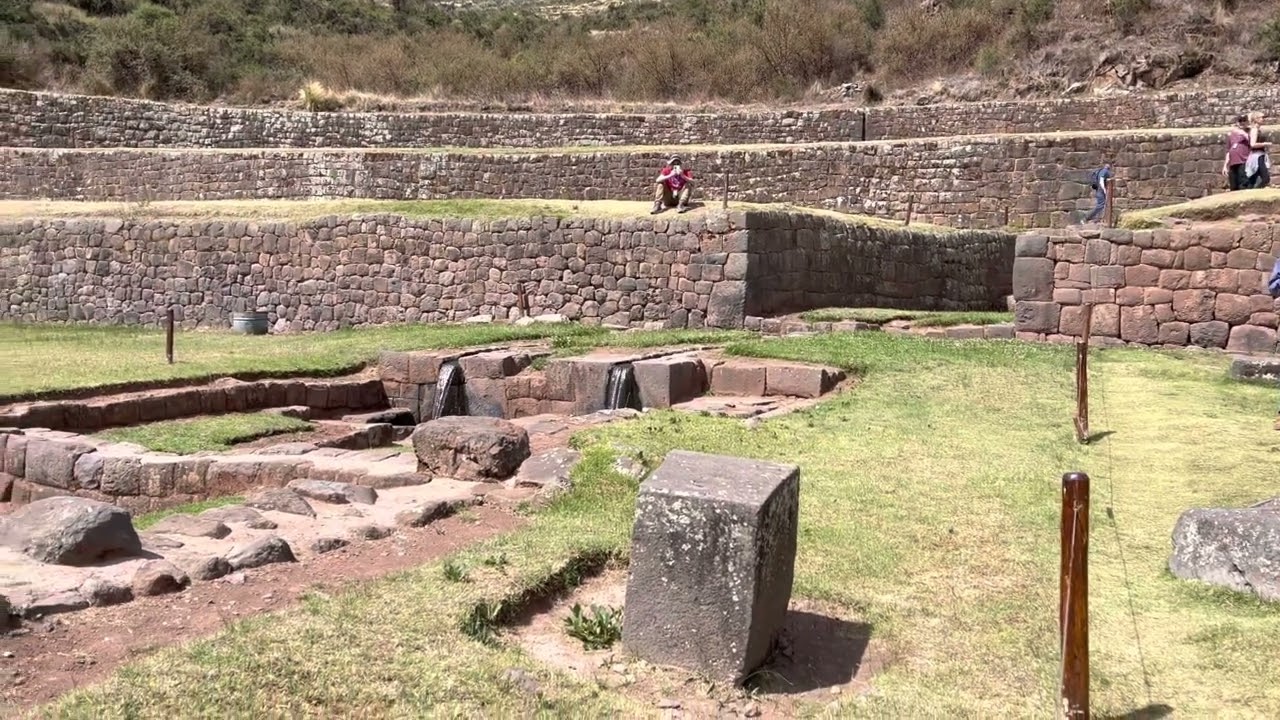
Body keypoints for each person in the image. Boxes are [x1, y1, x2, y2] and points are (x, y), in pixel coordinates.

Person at [1223, 115, 1252, 191]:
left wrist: (1242, 132)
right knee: (1233, 185)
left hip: (1243, 161)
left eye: (1244, 121)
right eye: (1240, 121)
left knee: (1243, 183)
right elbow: (1228, 151)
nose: (1242, 123)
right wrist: (1225, 165)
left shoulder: (1249, 132)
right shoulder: (1231, 135)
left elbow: (1251, 142)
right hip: (1233, 163)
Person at [1246, 111, 1271, 189]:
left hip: (1260, 155)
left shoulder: (1257, 129)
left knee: (1254, 178)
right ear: (1256, 119)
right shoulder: (1254, 130)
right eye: (1262, 117)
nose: (1263, 119)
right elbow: (1252, 144)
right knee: (1265, 178)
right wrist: (1265, 144)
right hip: (1257, 156)